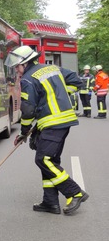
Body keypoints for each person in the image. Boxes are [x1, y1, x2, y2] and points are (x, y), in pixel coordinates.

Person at [8, 46, 88, 215]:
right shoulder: (52, 68)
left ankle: (75, 192)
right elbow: (77, 81)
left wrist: (24, 131)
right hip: (62, 121)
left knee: (43, 160)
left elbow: (28, 110)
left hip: (53, 123)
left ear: (25, 63)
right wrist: (58, 92)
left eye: (17, 66)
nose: (16, 69)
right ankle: (50, 202)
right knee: (51, 161)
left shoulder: (28, 79)